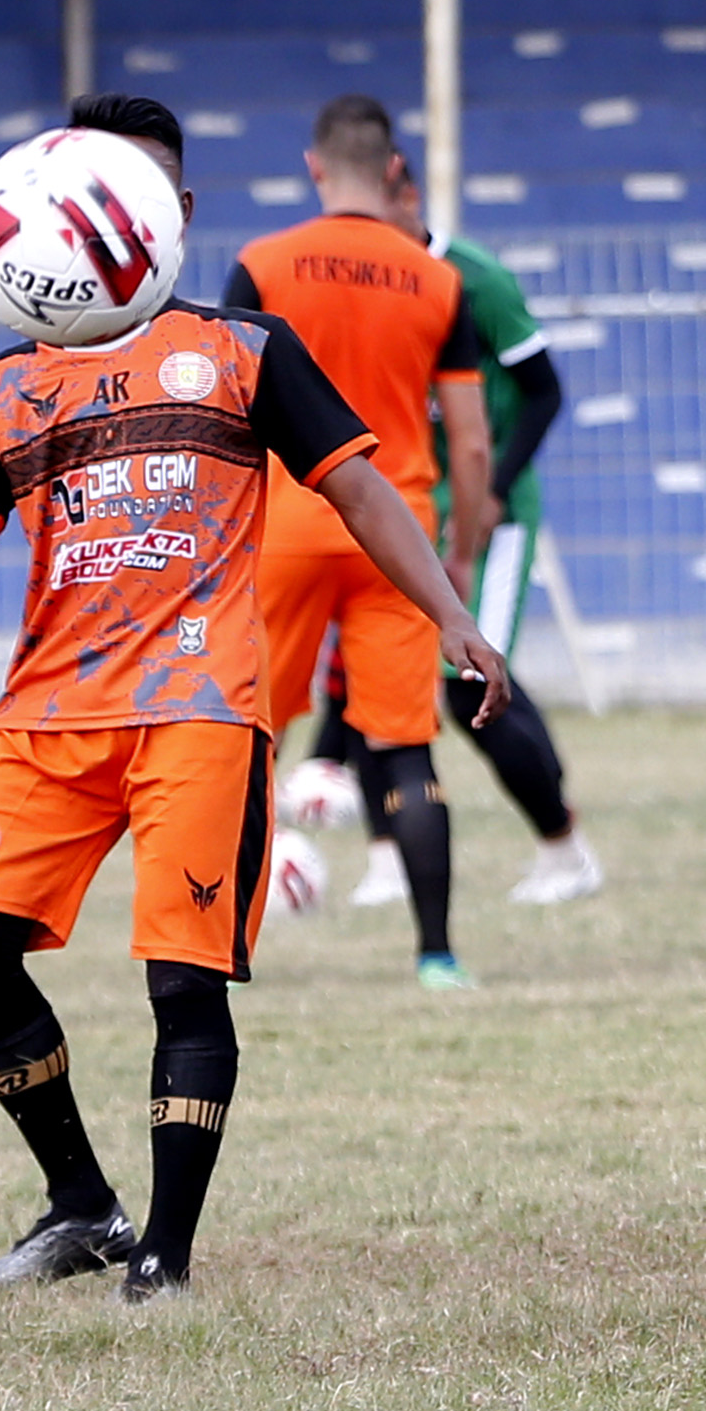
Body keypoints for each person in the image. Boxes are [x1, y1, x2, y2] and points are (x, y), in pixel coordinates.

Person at [0, 95, 511, 1301]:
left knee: (181, 977)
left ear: (176, 209)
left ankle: (163, 1259)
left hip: (200, 704)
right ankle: (82, 1203)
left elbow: (364, 491)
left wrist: (454, 614)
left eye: (141, 188)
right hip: (49, 713)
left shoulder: (244, 350)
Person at [222, 95, 491, 989]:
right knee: (407, 747)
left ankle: (227, 944)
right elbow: (472, 435)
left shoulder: (262, 265)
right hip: (398, 527)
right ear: (392, 172)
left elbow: (225, 410)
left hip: (287, 524)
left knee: (249, 737)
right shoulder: (437, 279)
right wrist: (458, 553)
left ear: (313, 168)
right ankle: (437, 954)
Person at [296, 158, 601, 909]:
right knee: (373, 680)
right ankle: (387, 859)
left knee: (471, 684)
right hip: (396, 511)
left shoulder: (472, 279)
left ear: (404, 195)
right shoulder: (352, 279)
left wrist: (492, 493)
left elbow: (544, 389)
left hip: (480, 515)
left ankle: (565, 847)